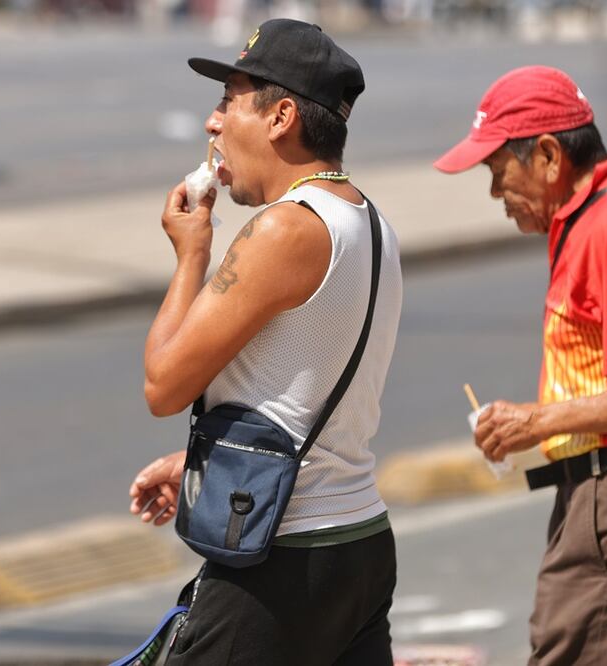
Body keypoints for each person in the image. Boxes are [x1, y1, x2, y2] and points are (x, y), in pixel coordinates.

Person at [127, 18, 403, 665]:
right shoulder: (372, 223)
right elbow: (304, 392)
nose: (212, 123)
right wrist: (209, 460)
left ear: (280, 116)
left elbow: (164, 384)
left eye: (229, 100)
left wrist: (192, 252)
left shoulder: (285, 229)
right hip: (358, 545)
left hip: (282, 559)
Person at [434, 66, 607, 665]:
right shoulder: (591, 219)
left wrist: (537, 423)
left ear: (546, 155)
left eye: (496, 171)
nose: (494, 193)